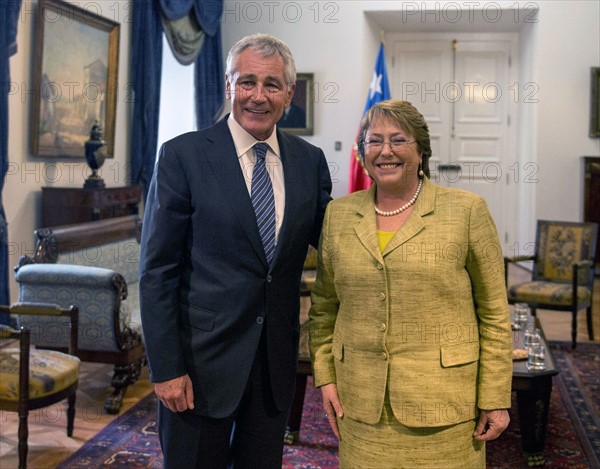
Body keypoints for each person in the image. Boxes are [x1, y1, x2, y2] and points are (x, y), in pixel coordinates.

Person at [139, 33, 332, 469]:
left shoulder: (309, 161)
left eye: (271, 84)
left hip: (272, 367)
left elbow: (337, 242)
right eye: (246, 82)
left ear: (289, 92)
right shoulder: (183, 156)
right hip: (199, 367)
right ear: (229, 87)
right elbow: (157, 271)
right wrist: (166, 368)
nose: (257, 96)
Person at [309, 100, 512, 468]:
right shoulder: (338, 215)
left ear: (421, 152)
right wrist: (325, 378)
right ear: (362, 153)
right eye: (374, 141)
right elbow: (324, 308)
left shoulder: (466, 211)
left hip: (444, 410)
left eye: (398, 140)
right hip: (360, 406)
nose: (385, 151)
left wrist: (495, 396)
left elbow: (495, 312)